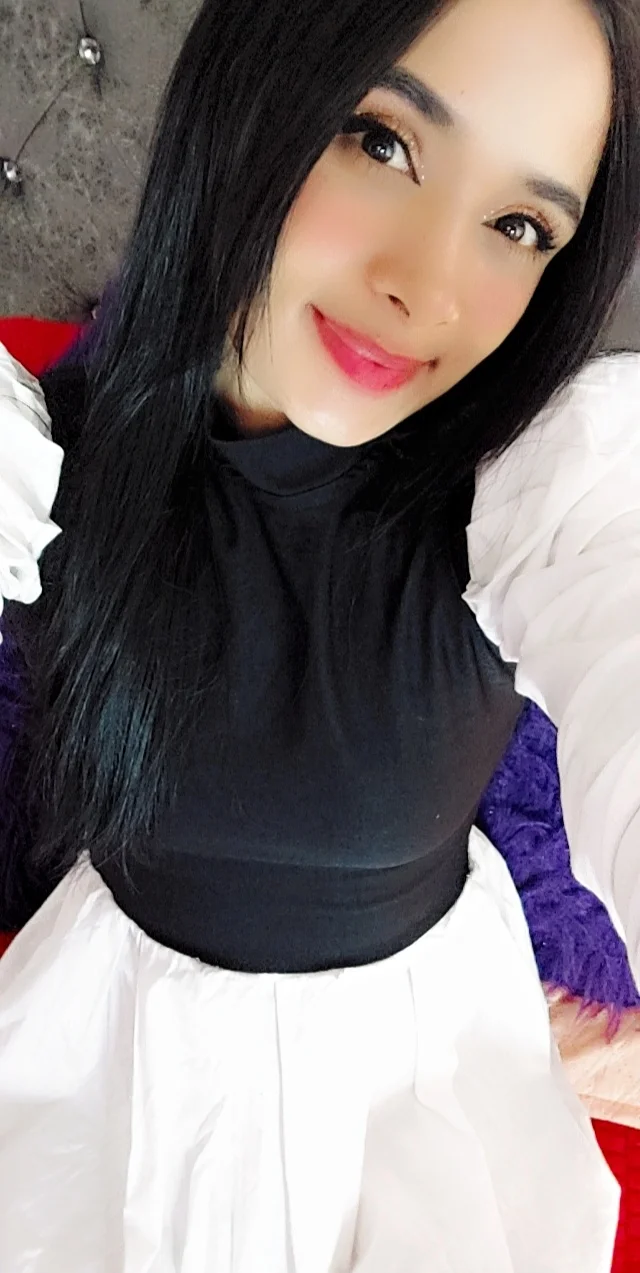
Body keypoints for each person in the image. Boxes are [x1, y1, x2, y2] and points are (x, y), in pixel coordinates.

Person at [0, 0, 639, 1267]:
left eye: (518, 226)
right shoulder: (41, 457)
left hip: (415, 1093)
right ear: (250, 97)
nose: (426, 290)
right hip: (113, 1058)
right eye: (381, 141)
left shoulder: (544, 495)